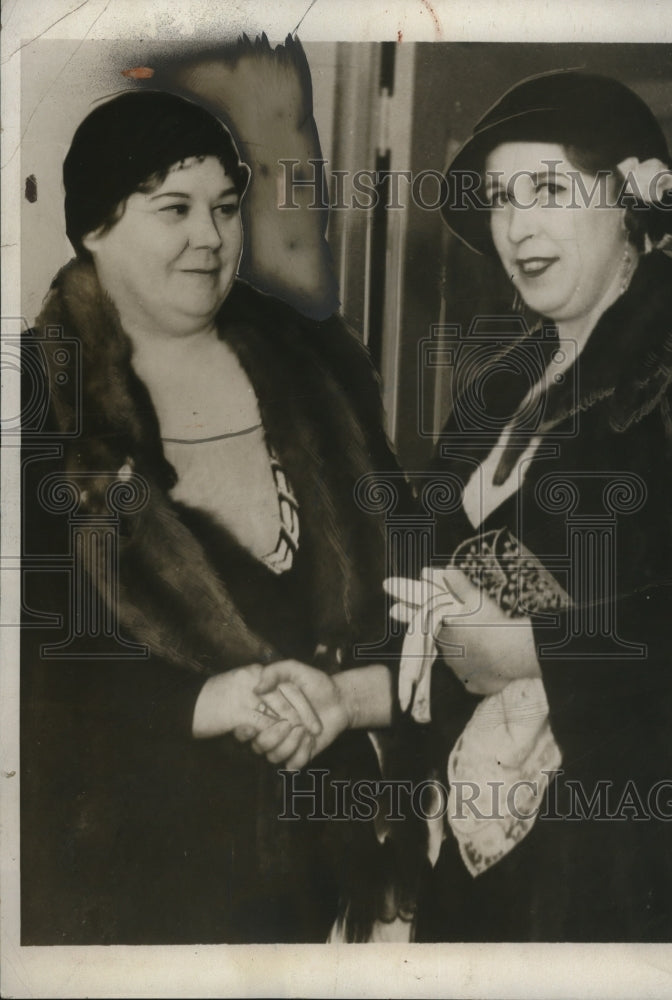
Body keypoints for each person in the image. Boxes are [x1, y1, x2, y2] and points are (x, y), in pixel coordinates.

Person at [20, 89, 414, 944]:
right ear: (94, 227)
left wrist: (356, 700)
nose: (211, 236)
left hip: (332, 868)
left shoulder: (318, 366)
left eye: (226, 209)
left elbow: (413, 582)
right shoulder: (34, 405)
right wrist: (207, 701)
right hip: (128, 882)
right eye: (175, 210)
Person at [385, 70, 672, 941]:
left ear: (629, 199)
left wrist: (534, 651)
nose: (516, 226)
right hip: (472, 854)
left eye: (546, 188)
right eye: (500, 197)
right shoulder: (503, 385)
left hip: (608, 871)